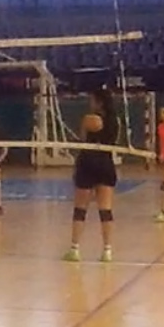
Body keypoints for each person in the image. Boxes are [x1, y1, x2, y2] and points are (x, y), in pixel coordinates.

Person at [66, 91, 120, 263]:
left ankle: (75, 249)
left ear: (99, 102)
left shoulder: (90, 119)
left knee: (80, 208)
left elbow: (82, 139)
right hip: (106, 162)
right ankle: (107, 250)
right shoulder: (115, 121)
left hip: (88, 162)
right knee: (106, 210)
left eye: (92, 99)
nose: (90, 102)